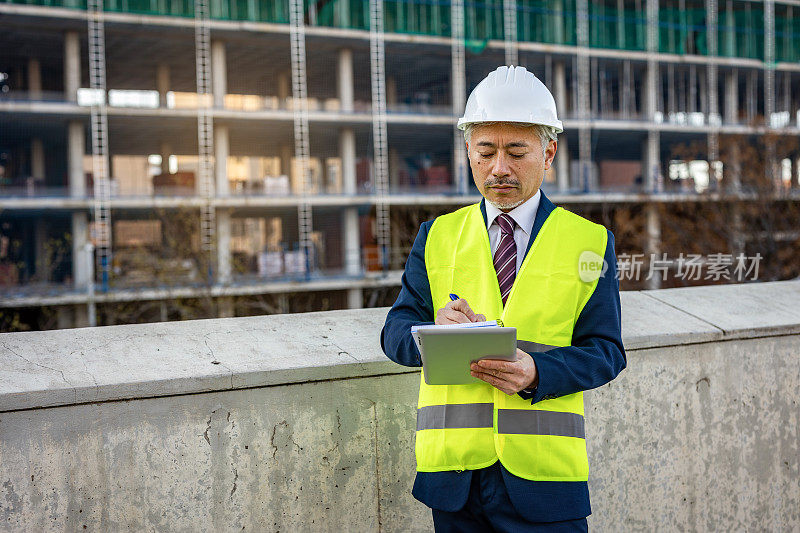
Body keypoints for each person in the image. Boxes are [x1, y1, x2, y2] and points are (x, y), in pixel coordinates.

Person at [380, 66, 626, 532]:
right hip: (455, 482)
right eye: (485, 151)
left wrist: (538, 373)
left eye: (517, 152)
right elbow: (395, 331)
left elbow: (607, 352)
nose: (499, 168)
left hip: (545, 483)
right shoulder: (436, 236)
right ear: (467, 151)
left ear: (548, 152)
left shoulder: (590, 243)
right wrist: (429, 333)